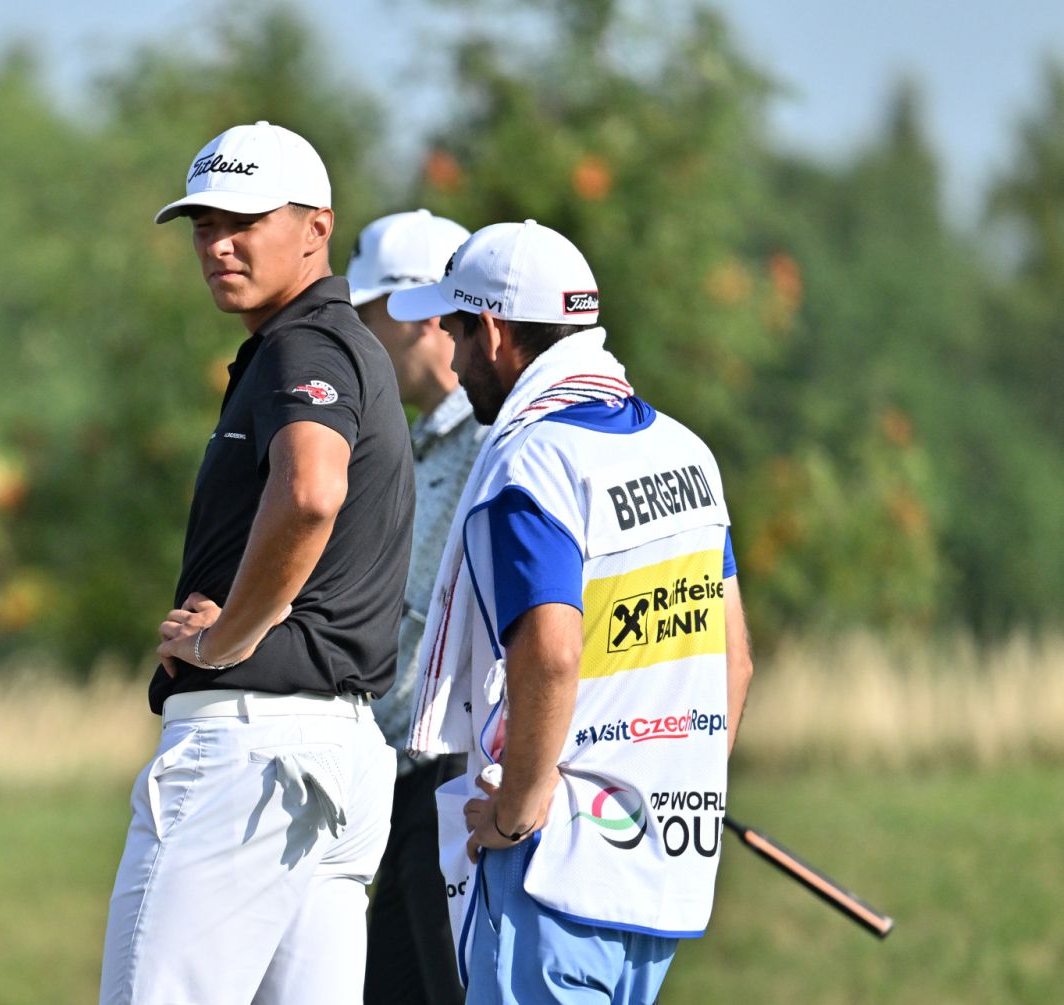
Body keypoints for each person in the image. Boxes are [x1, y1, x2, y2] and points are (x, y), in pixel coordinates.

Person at [387, 220, 754, 1005]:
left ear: (491, 330)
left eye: (454, 329)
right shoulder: (686, 451)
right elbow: (735, 662)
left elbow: (552, 654)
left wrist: (516, 815)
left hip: (557, 873)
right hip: (661, 872)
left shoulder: (533, 460)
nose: (450, 355)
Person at [98, 120, 415, 1005]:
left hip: (253, 744)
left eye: (243, 219)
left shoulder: (302, 346)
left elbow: (313, 490)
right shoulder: (345, 348)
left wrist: (225, 638)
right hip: (337, 752)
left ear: (317, 227)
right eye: (202, 225)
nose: (218, 244)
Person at [345, 209, 479, 1005]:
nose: (358, 338)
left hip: (456, 775)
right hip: (401, 779)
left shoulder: (497, 442)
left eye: (369, 317)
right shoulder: (420, 440)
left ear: (421, 313)